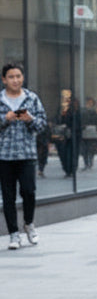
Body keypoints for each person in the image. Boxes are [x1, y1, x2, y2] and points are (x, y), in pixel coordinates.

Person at [0, 63, 48, 249]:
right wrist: (5, 119)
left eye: (18, 76)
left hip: (27, 154)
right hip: (4, 156)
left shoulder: (31, 98)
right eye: (11, 77)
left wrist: (30, 119)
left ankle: (29, 224)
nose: (15, 80)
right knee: (8, 196)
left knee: (29, 191)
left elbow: (42, 125)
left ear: (23, 77)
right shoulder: (1, 99)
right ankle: (13, 234)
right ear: (4, 80)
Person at [80, 97, 97, 170]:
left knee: (90, 148)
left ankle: (90, 162)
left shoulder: (93, 112)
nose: (89, 104)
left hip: (91, 132)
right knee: (85, 149)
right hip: (85, 132)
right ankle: (87, 163)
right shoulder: (83, 112)